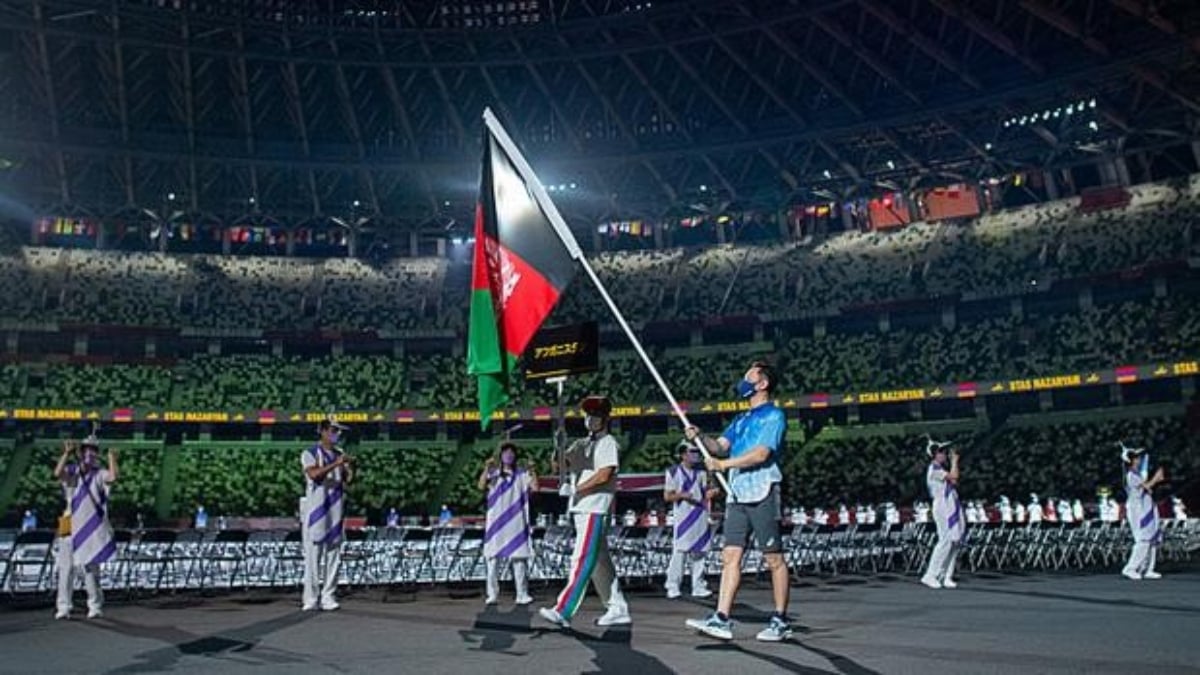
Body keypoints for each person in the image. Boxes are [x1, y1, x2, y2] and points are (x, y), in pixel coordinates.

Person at [685, 361, 792, 642]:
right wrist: (700, 437)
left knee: (773, 559)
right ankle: (721, 618)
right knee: (730, 556)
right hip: (738, 495)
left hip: (763, 491)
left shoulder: (774, 417)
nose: (743, 380)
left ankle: (780, 620)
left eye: (749, 376)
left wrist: (723, 465)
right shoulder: (741, 419)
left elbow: (760, 455)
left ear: (763, 383)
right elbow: (718, 446)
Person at [540, 395, 631, 629]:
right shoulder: (581, 444)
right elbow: (559, 466)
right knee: (600, 563)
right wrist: (557, 447)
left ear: (605, 418)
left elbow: (604, 474)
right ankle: (617, 608)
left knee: (582, 559)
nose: (591, 419)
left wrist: (576, 488)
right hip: (582, 508)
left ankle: (564, 609)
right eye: (588, 414)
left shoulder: (608, 442)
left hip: (595, 507)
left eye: (596, 415)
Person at [53, 434, 118, 620]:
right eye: (87, 449)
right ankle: (64, 606)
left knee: (91, 566)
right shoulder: (72, 471)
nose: (90, 453)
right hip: (69, 522)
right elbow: (57, 473)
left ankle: (95, 604)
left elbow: (113, 477)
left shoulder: (99, 474)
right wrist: (66, 454)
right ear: (81, 452)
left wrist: (112, 458)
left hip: (91, 524)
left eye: (93, 450)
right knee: (65, 567)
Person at [301, 418, 353, 611]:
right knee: (313, 557)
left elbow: (348, 481)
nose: (337, 435)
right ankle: (310, 597)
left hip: (336, 509)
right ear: (322, 431)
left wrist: (348, 468)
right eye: (333, 430)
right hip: (316, 511)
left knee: (334, 555)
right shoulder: (310, 453)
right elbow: (314, 475)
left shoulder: (340, 453)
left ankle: (328, 595)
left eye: (339, 431)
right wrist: (336, 464)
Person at [478, 441, 537, 606]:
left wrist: (532, 470)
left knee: (519, 559)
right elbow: (481, 485)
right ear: (501, 456)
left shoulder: (522, 474)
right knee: (492, 559)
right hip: (496, 522)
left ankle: (522, 594)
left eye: (511, 452)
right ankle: (492, 595)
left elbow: (535, 487)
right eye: (505, 452)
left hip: (516, 522)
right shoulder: (494, 473)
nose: (508, 455)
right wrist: (486, 468)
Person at [663, 441, 717, 599]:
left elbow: (706, 492)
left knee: (700, 551)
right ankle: (672, 585)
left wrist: (712, 493)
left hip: (700, 513)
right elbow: (667, 496)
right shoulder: (673, 472)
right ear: (683, 454)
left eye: (697, 452)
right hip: (683, 516)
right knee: (680, 551)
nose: (696, 455)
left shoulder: (702, 472)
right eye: (692, 451)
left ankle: (698, 585)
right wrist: (681, 495)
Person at [920, 439, 964, 590]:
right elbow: (954, 477)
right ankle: (930, 575)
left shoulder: (942, 470)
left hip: (952, 504)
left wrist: (953, 465)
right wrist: (954, 462)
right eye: (941, 452)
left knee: (955, 541)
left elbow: (954, 482)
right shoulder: (934, 470)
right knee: (945, 541)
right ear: (934, 455)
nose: (945, 454)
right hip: (942, 506)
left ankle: (946, 575)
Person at [1120, 445, 1165, 580]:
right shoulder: (1131, 476)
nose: (1139, 460)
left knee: (1152, 539)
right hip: (1138, 510)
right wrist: (1156, 478)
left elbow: (1147, 490)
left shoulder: (1138, 474)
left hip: (1147, 506)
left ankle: (1148, 569)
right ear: (1131, 461)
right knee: (1143, 539)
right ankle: (1130, 568)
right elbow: (1146, 487)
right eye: (1136, 458)